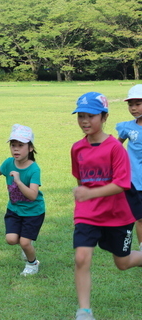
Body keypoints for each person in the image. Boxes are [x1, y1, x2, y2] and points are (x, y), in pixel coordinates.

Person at [71, 92, 142, 320]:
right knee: (81, 257)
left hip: (117, 215)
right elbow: (80, 179)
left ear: (104, 117)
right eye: (81, 116)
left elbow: (121, 184)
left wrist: (89, 192)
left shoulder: (115, 148)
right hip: (87, 213)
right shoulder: (77, 149)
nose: (84, 121)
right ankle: (84, 311)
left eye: (90, 116)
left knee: (122, 263)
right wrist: (86, 197)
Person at [0, 124, 45, 276]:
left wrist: (19, 182)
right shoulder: (9, 163)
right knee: (11, 239)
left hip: (33, 212)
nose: (15, 149)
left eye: (20, 145)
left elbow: (33, 195)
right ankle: (26, 246)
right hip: (14, 210)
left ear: (30, 148)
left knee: (24, 242)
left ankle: (32, 264)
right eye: (13, 145)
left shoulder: (34, 169)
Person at [116, 84, 142, 250]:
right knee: (139, 218)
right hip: (134, 182)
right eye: (130, 104)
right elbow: (116, 147)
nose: (133, 108)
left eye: (137, 104)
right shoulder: (127, 127)